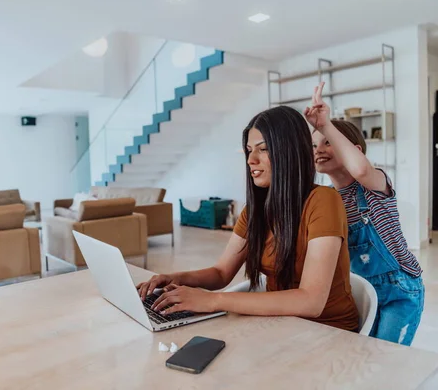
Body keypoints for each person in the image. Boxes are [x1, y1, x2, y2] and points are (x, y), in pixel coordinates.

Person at [137, 106, 360, 332]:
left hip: (329, 333)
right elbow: (221, 273)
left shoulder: (323, 201)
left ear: (289, 152)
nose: (251, 160)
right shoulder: (256, 210)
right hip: (282, 325)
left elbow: (311, 301)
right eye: (248, 150)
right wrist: (174, 279)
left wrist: (213, 300)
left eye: (262, 149)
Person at [307, 82, 424, 345]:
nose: (319, 149)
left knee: (386, 355)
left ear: (355, 150)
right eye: (314, 145)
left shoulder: (374, 183)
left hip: (400, 292)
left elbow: (359, 170)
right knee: (363, 351)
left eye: (328, 142)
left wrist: (326, 124)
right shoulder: (327, 198)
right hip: (361, 289)